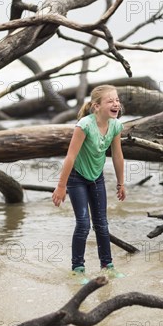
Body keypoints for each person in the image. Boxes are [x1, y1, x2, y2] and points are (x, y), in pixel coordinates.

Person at [52, 85, 126, 283]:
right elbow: (70, 156)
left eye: (117, 100)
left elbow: (118, 156)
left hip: (97, 178)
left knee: (102, 224)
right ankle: (77, 269)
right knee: (84, 224)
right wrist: (61, 186)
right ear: (96, 106)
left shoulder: (116, 125)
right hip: (76, 178)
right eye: (110, 101)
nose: (116, 104)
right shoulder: (84, 125)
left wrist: (121, 183)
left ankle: (107, 266)